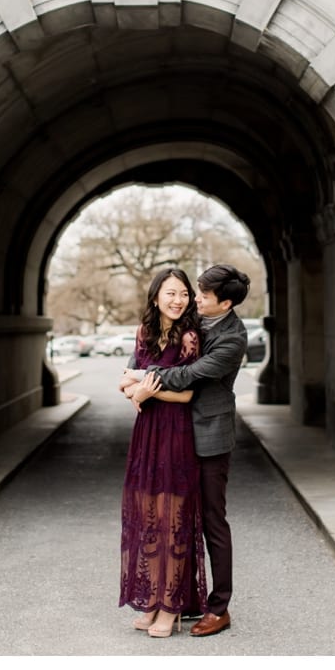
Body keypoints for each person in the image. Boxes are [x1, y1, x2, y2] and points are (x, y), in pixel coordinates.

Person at [122, 264, 250, 637]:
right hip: (168, 434)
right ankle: (175, 600)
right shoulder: (189, 316)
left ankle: (219, 607)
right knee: (167, 517)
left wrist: (142, 384)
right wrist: (133, 377)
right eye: (193, 291)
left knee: (211, 520)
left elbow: (185, 375)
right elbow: (148, 351)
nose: (193, 299)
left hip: (207, 436)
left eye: (203, 296)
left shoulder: (232, 338)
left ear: (224, 302)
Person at [118, 267, 207, 638]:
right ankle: (152, 601)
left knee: (173, 518)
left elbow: (186, 394)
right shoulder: (145, 333)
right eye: (170, 293)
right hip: (147, 433)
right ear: (156, 297)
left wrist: (145, 391)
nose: (177, 300)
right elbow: (124, 380)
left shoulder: (189, 337)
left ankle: (171, 607)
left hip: (176, 431)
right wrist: (137, 389)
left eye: (184, 294)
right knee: (149, 515)